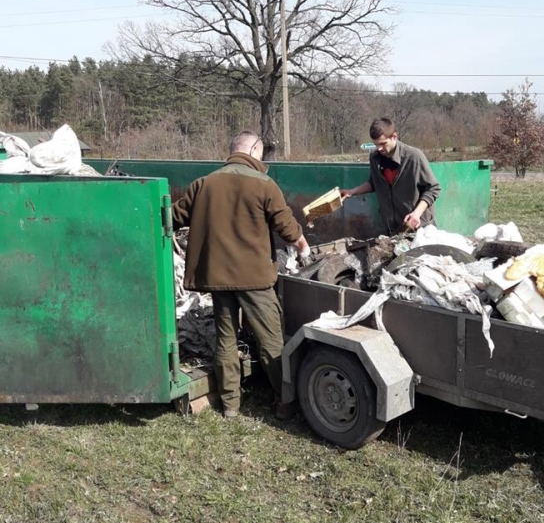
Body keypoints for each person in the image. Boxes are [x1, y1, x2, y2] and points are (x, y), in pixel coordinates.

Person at [172, 130, 310, 419]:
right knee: (271, 340)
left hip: (219, 279)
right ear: (255, 150)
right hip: (255, 279)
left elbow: (172, 216)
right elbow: (286, 226)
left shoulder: (203, 184)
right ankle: (285, 402)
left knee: (226, 339)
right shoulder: (264, 184)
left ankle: (231, 405)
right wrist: (302, 245)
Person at [341, 117, 440, 234]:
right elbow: (374, 183)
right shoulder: (375, 158)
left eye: (383, 143)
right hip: (392, 229)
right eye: (376, 144)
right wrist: (352, 192)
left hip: (420, 228)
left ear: (394, 137)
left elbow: (433, 188)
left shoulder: (414, 157)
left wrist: (416, 214)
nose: (379, 148)